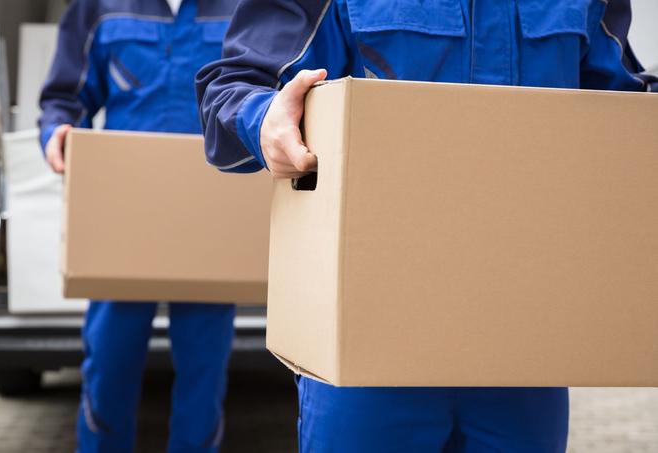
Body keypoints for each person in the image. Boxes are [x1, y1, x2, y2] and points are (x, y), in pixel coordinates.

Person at [196, 0, 657, 451]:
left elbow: (622, 106)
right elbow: (232, 87)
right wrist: (264, 122)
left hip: (523, 343)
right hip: (368, 342)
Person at [39, 1, 238, 452]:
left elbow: (264, 87)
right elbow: (64, 98)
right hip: (123, 220)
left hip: (210, 221)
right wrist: (58, 133)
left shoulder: (241, 7)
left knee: (205, 370)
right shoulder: (99, 7)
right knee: (109, 360)